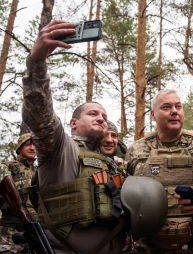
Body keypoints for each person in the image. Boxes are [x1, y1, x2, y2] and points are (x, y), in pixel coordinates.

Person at [22, 21, 126, 253]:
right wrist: (36, 63)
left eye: (104, 115)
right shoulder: (60, 148)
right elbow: (40, 115)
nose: (101, 118)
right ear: (74, 123)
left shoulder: (113, 164)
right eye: (93, 113)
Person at [126, 89, 193, 253]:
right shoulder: (136, 150)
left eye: (178, 106)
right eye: (166, 107)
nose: (174, 111)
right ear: (153, 114)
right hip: (149, 246)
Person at [0, 133, 36, 253]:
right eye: (28, 144)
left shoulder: (38, 172)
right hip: (10, 231)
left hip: (33, 231)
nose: (32, 148)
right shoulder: (7, 166)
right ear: (19, 148)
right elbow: (3, 189)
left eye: (35, 145)